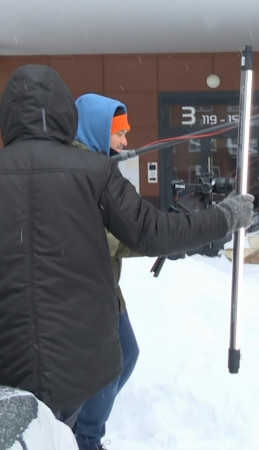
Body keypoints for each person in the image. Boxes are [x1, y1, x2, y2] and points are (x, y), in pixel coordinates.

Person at [0, 64, 253, 428]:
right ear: (63, 114)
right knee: (61, 432)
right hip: (77, 361)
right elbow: (152, 231)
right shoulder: (93, 172)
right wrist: (223, 217)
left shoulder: (91, 171)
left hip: (9, 359)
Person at [71, 93, 141, 450]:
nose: (125, 141)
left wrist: (157, 238)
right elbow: (100, 236)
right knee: (110, 366)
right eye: (118, 133)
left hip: (108, 289)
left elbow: (122, 233)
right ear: (98, 130)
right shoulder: (79, 171)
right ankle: (86, 438)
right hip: (87, 293)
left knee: (126, 356)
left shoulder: (102, 167)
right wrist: (146, 234)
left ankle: (82, 430)